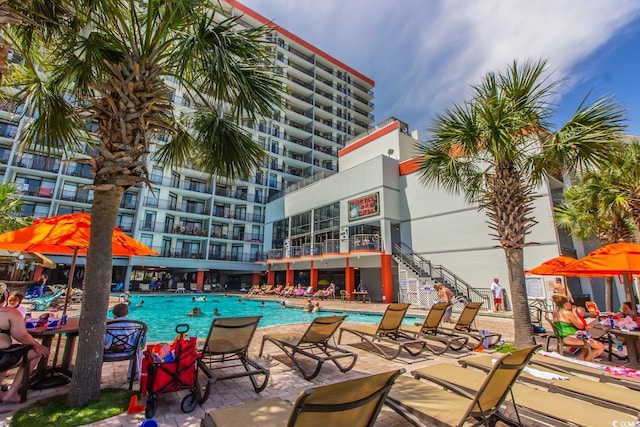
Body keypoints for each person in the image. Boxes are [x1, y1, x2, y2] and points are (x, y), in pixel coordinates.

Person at [0, 292, 50, 403]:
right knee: (36, 352)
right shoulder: (10, 312)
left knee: (12, 350)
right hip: (2, 359)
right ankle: (11, 393)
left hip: (4, 354)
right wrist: (38, 346)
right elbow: (20, 335)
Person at [551, 295, 604, 362]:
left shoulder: (556, 312)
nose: (571, 304)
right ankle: (587, 361)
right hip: (570, 337)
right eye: (569, 302)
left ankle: (581, 357)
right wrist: (574, 313)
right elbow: (581, 326)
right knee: (600, 347)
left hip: (562, 337)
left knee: (587, 337)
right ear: (565, 304)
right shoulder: (567, 313)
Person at [106, 303, 144, 381]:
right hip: (128, 351)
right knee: (135, 343)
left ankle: (114, 346)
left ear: (114, 314)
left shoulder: (109, 325)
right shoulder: (132, 325)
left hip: (109, 351)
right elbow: (136, 339)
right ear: (127, 313)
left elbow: (105, 338)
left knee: (106, 340)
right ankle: (133, 374)